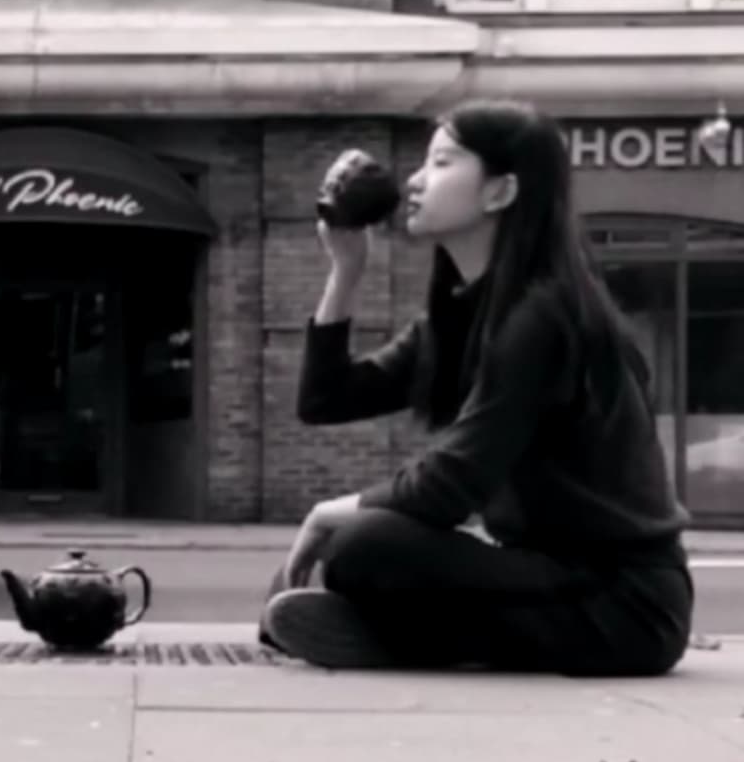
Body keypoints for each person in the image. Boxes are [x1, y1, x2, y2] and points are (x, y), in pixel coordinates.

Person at [262, 100, 693, 676]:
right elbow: (327, 399)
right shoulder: (465, 315)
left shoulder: (543, 316)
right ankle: (413, 635)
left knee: (364, 545)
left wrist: (325, 513)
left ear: (500, 192)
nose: (415, 179)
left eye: (442, 162)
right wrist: (346, 270)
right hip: (546, 577)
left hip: (625, 606)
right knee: (369, 547)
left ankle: (413, 637)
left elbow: (451, 484)